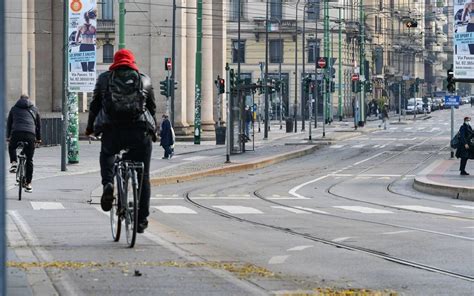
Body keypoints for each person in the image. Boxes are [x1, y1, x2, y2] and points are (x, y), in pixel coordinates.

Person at [85, 49, 157, 233]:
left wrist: (90, 128)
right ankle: (141, 220)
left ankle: (108, 183)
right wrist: (153, 130)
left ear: (115, 61)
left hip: (112, 130)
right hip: (139, 132)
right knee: (144, 176)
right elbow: (152, 108)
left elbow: (94, 106)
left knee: (107, 153)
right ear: (132, 62)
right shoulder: (144, 79)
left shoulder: (104, 79)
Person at [6, 94, 42, 193]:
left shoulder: (14, 109)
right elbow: (38, 125)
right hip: (30, 135)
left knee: (12, 146)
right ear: (29, 100)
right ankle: (28, 184)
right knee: (29, 160)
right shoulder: (34, 109)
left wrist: (8, 136)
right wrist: (38, 139)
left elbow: (9, 123)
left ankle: (14, 163)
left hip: (17, 133)